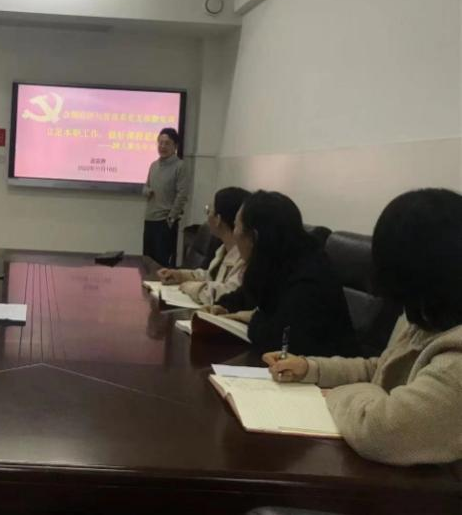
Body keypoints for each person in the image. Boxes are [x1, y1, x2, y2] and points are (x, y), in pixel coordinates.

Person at [263, 189, 462, 466]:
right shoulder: (431, 314)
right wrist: (311, 369)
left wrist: (336, 393)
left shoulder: (455, 363)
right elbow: (382, 368)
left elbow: (381, 430)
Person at [214, 191, 359, 357]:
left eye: (236, 226)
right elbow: (249, 292)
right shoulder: (279, 259)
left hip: (322, 368)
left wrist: (247, 317)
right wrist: (224, 306)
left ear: (254, 237)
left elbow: (278, 340)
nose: (234, 234)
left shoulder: (310, 277)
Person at [156, 186, 250, 305]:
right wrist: (180, 275)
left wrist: (192, 287)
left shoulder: (245, 257)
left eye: (209, 211)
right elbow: (210, 276)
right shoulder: (223, 250)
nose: (207, 217)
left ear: (218, 219)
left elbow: (227, 294)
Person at [142, 127, 189, 267]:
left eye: (167, 143)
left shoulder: (180, 166)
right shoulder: (153, 165)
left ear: (175, 146)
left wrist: (171, 218)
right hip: (150, 219)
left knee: (162, 264)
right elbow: (146, 186)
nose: (162, 146)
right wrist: (147, 191)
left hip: (165, 222)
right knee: (147, 261)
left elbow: (182, 194)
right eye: (160, 142)